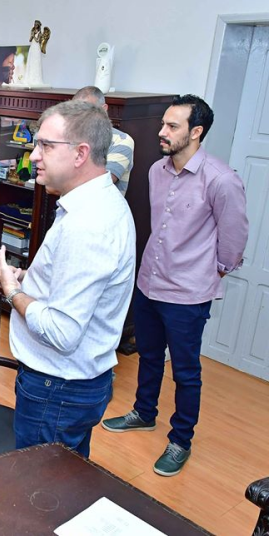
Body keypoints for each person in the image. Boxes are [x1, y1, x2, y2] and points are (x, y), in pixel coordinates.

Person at [102, 95, 248, 476]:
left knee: (185, 371)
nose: (161, 132)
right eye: (163, 124)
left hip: (188, 293)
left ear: (196, 132)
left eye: (172, 126)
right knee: (148, 356)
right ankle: (143, 413)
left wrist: (208, 272)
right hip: (149, 281)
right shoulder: (156, 171)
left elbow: (233, 243)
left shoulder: (221, 179)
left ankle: (180, 440)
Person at [0, 100, 136, 458]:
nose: (34, 155)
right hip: (71, 384)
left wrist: (12, 292)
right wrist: (34, 278)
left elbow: (63, 331)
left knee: (39, 494)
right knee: (65, 480)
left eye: (45, 145)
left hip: (57, 387)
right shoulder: (97, 202)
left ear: (80, 153)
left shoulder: (87, 224)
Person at [72, 85, 135, 196]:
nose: (81, 117)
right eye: (76, 111)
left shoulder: (121, 140)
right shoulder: (70, 137)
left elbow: (100, 183)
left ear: (103, 109)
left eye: (87, 110)